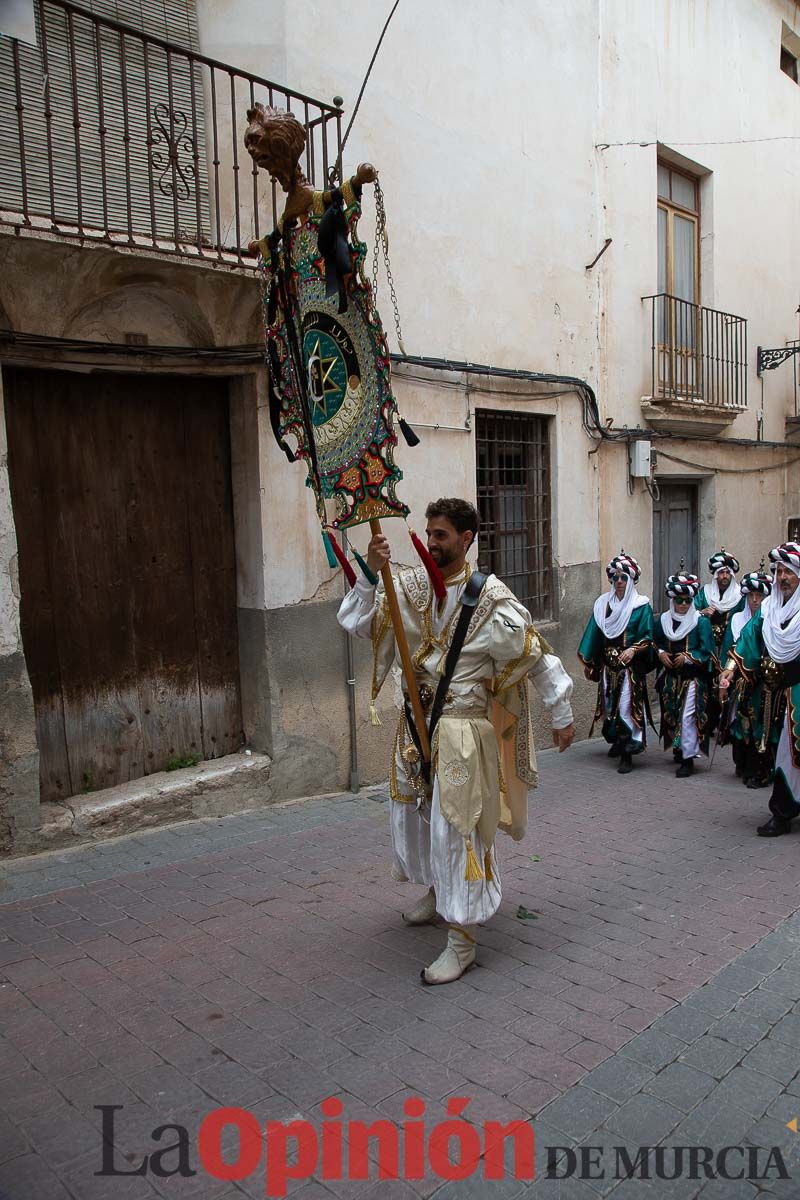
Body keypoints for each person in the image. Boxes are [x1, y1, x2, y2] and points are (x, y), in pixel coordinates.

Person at [337, 498, 575, 984]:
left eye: (441, 534)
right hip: (413, 726)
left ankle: (462, 939)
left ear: (467, 539)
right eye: (429, 533)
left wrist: (562, 709)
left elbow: (534, 652)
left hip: (462, 734)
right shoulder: (408, 585)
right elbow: (360, 624)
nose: (432, 542)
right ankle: (435, 892)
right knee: (415, 816)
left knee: (456, 829)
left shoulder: (492, 599)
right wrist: (370, 574)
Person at [719, 542, 800, 836]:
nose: (782, 577)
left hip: (799, 693)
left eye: (788, 572)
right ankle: (782, 813)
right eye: (779, 571)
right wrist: (728, 671)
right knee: (784, 757)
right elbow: (748, 642)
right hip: (777, 695)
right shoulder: (767, 610)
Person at [578, 554, 655, 775]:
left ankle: (627, 753)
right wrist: (590, 663)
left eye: (623, 577)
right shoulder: (603, 605)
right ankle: (617, 742)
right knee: (608, 705)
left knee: (626, 707)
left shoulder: (641, 607)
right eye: (615, 578)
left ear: (631, 580)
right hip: (607, 667)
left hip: (629, 670)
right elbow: (593, 633)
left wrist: (634, 649)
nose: (619, 582)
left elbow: (648, 635)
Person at [653, 572, 714, 778]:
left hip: (692, 680)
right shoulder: (662, 620)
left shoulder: (700, 622)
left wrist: (688, 657)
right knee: (672, 715)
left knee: (688, 717)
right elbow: (656, 642)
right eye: (679, 600)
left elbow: (707, 651)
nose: (683, 605)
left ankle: (688, 759)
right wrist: (660, 654)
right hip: (671, 679)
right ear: (672, 600)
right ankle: (679, 749)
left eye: (687, 600)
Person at [719, 568, 773, 787]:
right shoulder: (738, 620)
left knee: (764, 725)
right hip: (741, 682)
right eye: (750, 595)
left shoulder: (771, 615)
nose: (754, 600)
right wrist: (727, 672)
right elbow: (734, 647)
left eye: (759, 596)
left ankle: (761, 769)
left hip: (767, 683)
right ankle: (743, 763)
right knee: (741, 723)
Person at [695, 550, 745, 659]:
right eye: (721, 573)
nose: (725, 576)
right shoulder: (705, 593)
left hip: (730, 644)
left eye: (728, 572)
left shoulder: (740, 595)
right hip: (707, 643)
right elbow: (691, 613)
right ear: (716, 575)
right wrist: (702, 612)